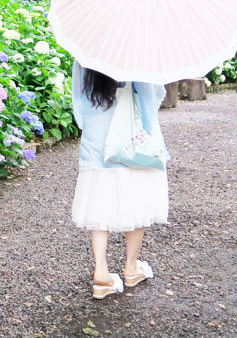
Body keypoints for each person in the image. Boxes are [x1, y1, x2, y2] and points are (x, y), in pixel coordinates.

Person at [71, 60, 169, 298]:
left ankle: (102, 273)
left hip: (96, 140)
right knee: (138, 196)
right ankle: (131, 267)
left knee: (99, 200)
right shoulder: (136, 51)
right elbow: (149, 99)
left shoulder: (86, 50)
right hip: (130, 143)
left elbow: (79, 98)